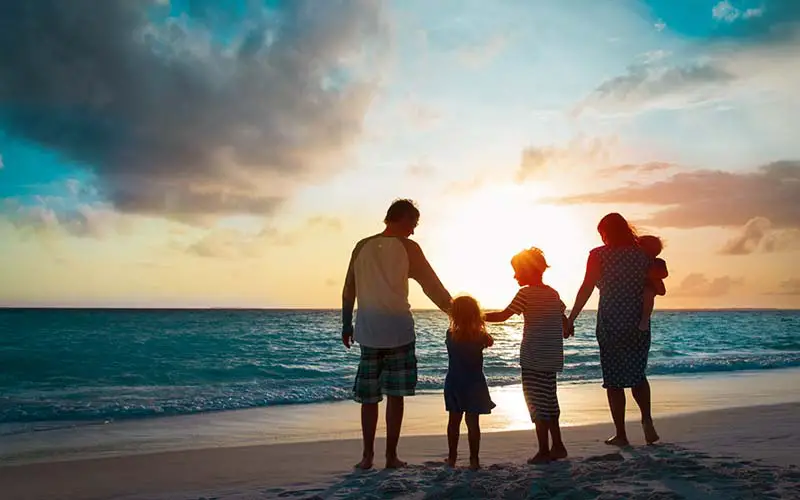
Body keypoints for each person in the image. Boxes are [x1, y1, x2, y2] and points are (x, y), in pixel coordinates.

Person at [341, 199, 452, 470]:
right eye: (412, 224)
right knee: (395, 396)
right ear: (401, 218)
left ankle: (368, 456)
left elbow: (348, 290)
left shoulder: (361, 246)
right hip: (399, 331)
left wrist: (346, 324)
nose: (413, 231)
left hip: (368, 332)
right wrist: (456, 314)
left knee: (369, 398)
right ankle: (390, 457)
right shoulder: (408, 248)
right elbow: (432, 287)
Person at [567, 213, 660, 447]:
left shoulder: (598, 255)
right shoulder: (643, 255)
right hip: (638, 321)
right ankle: (647, 421)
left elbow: (587, 286)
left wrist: (571, 318)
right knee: (638, 374)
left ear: (606, 233)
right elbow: (656, 285)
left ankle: (621, 433)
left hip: (611, 321)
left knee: (614, 380)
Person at [484, 247, 570, 464]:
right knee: (550, 400)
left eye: (517, 271)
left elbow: (503, 316)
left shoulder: (525, 294)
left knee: (535, 402)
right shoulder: (553, 293)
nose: (515, 276)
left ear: (528, 270)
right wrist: (566, 327)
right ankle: (557, 445)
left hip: (533, 357)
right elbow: (564, 321)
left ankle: (543, 450)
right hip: (552, 356)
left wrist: (475, 316)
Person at [444, 295, 496, 470]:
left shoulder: (450, 335)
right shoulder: (480, 336)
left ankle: (452, 457)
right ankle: (474, 459)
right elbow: (490, 341)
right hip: (474, 383)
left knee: (454, 421)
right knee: (473, 423)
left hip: (455, 382)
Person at [637, 235, 669, 332]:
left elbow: (664, 274)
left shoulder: (658, 262)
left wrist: (652, 274)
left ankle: (645, 319)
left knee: (648, 296)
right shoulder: (638, 261)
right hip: (640, 285)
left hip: (650, 286)